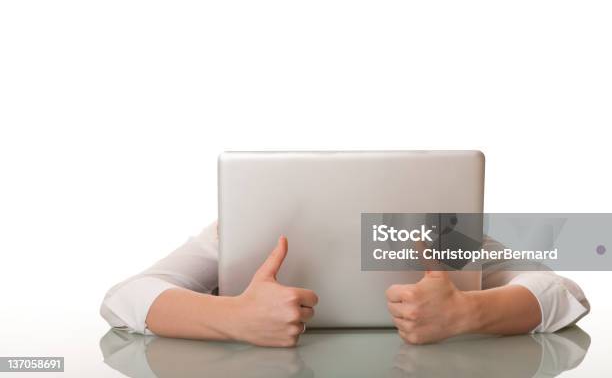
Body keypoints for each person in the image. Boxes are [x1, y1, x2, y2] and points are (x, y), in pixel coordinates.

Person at [100, 221, 590, 347]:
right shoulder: (240, 227)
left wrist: (469, 312)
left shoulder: (440, 231)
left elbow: (563, 294)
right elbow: (127, 297)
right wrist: (231, 318)